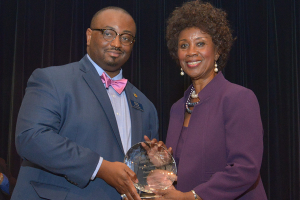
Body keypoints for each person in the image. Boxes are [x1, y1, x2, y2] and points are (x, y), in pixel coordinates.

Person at [11, 6, 158, 200]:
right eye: (108, 33)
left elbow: (137, 173)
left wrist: (153, 163)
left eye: (126, 37)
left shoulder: (146, 106)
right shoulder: (53, 79)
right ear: (89, 36)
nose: (117, 43)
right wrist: (99, 167)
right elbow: (31, 138)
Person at [146, 1, 267, 199]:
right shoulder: (177, 108)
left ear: (217, 50)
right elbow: (189, 170)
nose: (191, 51)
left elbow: (245, 169)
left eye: (200, 43)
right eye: (184, 45)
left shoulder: (239, 99)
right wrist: (165, 163)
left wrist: (193, 196)